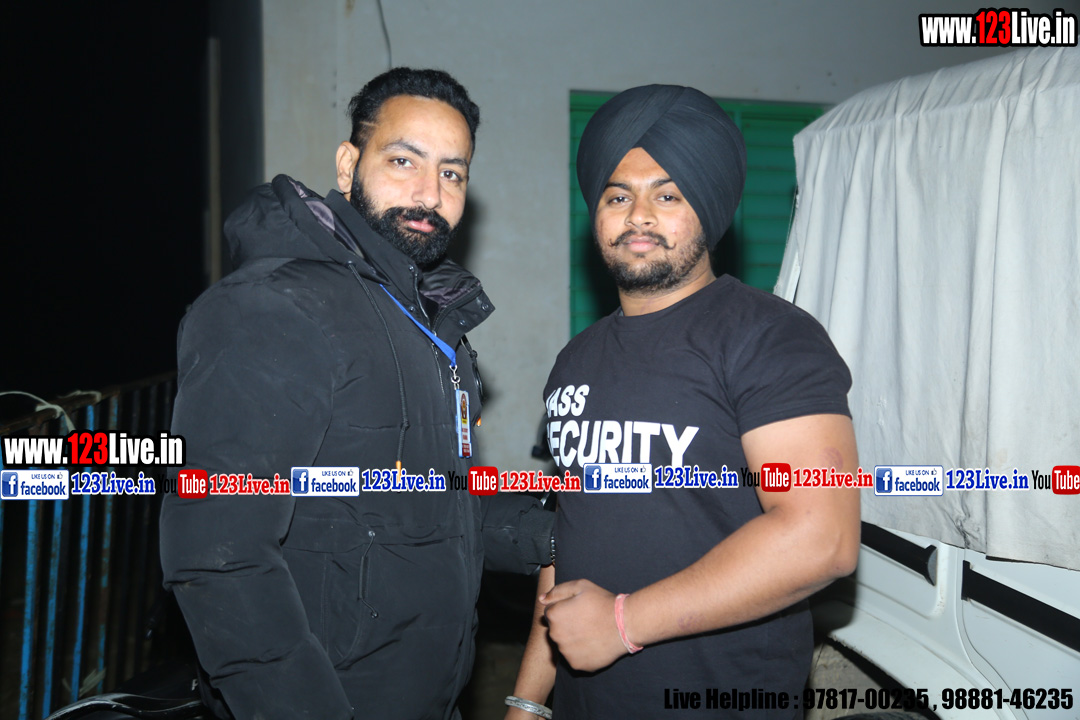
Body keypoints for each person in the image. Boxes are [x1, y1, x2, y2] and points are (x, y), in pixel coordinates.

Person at [159, 67, 553, 720]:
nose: (429, 193)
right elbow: (219, 557)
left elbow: (437, 504)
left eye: (452, 173)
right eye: (403, 161)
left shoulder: (431, 326)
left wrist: (561, 534)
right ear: (348, 165)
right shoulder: (273, 307)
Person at [506, 85, 860, 719]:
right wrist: (528, 701)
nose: (638, 215)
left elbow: (821, 536)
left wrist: (622, 623)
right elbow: (566, 542)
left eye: (667, 195)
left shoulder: (770, 337)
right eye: (618, 196)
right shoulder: (575, 361)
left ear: (709, 206)